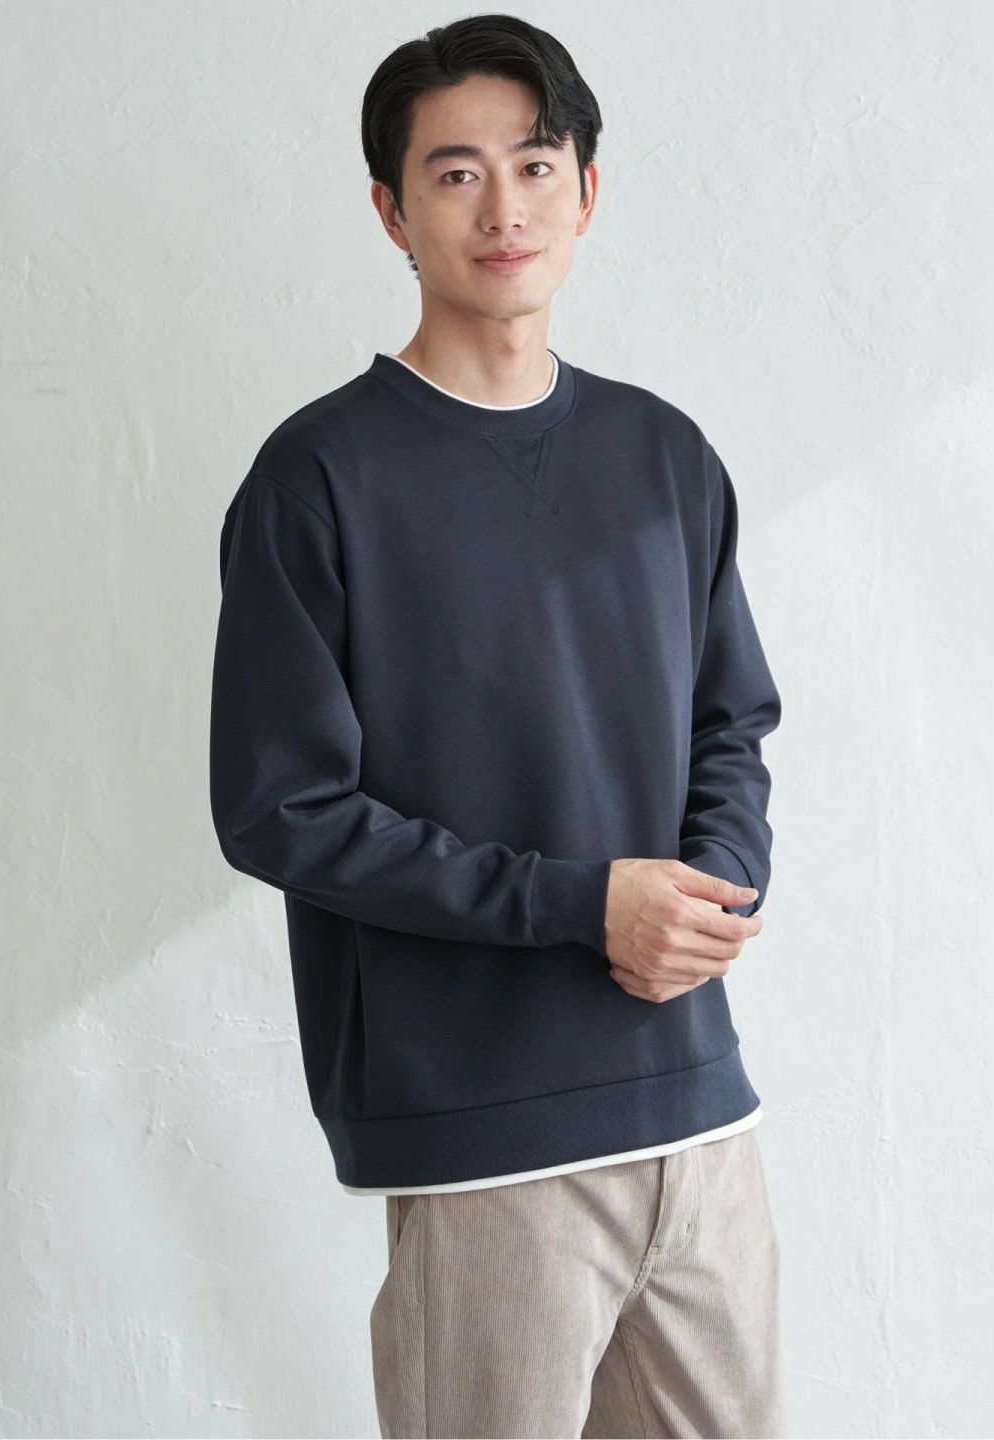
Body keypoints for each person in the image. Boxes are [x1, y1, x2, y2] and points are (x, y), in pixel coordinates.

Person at [209, 13, 786, 1438]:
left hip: (700, 1113)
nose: (505, 207)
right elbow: (282, 809)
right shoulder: (318, 478)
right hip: (483, 1139)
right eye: (456, 173)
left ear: (587, 189)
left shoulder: (664, 455)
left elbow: (732, 720)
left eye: (535, 165)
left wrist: (714, 886)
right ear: (390, 211)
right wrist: (586, 905)